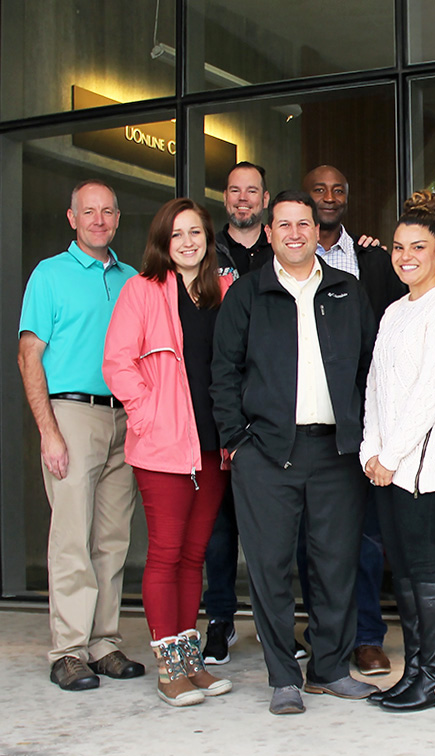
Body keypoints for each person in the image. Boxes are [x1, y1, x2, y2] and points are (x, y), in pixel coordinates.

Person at [211, 190, 378, 715]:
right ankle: (284, 675)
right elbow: (223, 373)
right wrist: (237, 441)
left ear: (316, 229)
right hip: (266, 455)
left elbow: (370, 369)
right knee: (270, 565)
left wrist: (363, 435)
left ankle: (329, 669)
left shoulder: (347, 290)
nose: (295, 233)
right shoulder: (247, 295)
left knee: (335, 565)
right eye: (284, 224)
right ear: (269, 232)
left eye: (303, 223)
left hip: (334, 452)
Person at [103, 198, 235, 706]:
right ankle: (169, 668)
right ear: (164, 240)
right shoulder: (141, 290)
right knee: (164, 553)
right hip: (162, 446)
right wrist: (147, 413)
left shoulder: (222, 290)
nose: (187, 241)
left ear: (207, 239)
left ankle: (190, 661)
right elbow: (117, 363)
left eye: (196, 232)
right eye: (177, 233)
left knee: (193, 555)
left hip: (210, 447)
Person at [18, 179, 146, 692]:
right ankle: (69, 650)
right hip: (71, 413)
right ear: (72, 218)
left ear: (118, 219)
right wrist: (48, 430)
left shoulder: (134, 279)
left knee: (113, 538)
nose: (99, 220)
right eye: (88, 212)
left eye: (108, 212)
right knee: (71, 536)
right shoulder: (48, 275)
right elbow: (29, 355)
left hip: (125, 418)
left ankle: (104, 643)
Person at [360, 191, 435, 712]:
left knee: (427, 568)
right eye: (397, 247)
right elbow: (376, 388)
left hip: (430, 464)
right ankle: (415, 672)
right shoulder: (393, 311)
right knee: (405, 572)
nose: (405, 255)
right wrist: (371, 449)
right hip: (390, 462)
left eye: (417, 246)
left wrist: (391, 456)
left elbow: (432, 390)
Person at [302, 164, 406, 676]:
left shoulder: (372, 259)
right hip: (305, 419)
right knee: (312, 537)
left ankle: (366, 636)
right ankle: (321, 632)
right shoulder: (288, 257)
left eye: (338, 189)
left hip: (361, 418)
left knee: (365, 537)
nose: (329, 197)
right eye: (319, 189)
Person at [201, 161, 271, 667]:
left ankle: (275, 627)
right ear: (224, 198)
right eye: (234, 191)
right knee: (220, 528)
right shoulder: (206, 252)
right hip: (218, 406)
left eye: (252, 191)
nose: (243, 199)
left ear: (264, 198)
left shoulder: (281, 250)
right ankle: (221, 620)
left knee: (274, 531)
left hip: (271, 409)